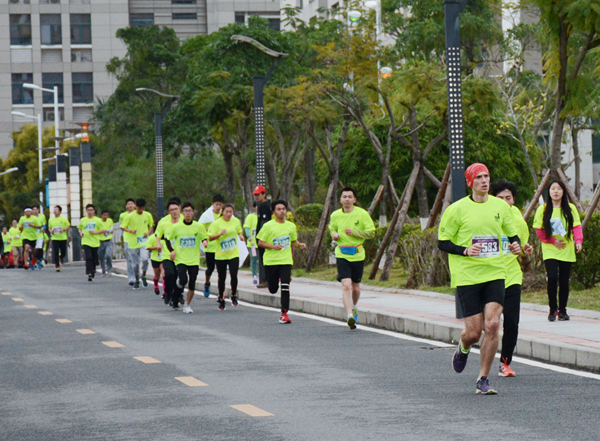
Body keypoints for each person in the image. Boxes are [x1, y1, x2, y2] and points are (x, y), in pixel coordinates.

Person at [438, 163, 521, 395]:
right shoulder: (457, 209)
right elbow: (442, 242)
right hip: (467, 276)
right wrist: (465, 250)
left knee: (492, 324)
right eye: (479, 177)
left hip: (495, 272)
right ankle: (463, 347)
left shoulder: (500, 207)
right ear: (470, 183)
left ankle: (483, 378)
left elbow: (511, 233)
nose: (484, 181)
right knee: (474, 333)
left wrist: (515, 245)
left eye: (486, 176)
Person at [490, 180, 534, 377]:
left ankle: (505, 363)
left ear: (513, 200)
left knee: (512, 322)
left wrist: (526, 249)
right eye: (500, 198)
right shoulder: (485, 219)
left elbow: (522, 247)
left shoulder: (518, 221)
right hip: (490, 276)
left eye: (508, 198)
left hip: (512, 276)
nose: (504, 202)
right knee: (490, 323)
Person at [533, 180, 583, 322]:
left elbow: (576, 227)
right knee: (552, 277)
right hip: (550, 248)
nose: (556, 191)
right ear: (548, 192)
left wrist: (578, 241)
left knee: (564, 281)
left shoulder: (571, 208)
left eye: (559, 188)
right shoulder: (543, 210)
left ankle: (562, 310)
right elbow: (539, 230)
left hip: (566, 248)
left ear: (563, 191)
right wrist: (553, 241)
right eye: (553, 188)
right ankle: (552, 309)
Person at [329, 187, 376, 330]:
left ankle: (354, 307)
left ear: (354, 200)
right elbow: (332, 228)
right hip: (341, 254)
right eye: (344, 197)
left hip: (357, 254)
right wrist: (334, 235)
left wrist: (354, 232)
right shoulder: (335, 215)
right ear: (340, 199)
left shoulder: (362, 214)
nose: (347, 199)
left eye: (350, 197)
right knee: (346, 285)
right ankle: (349, 315)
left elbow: (371, 233)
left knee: (355, 288)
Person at [257, 200, 307, 323]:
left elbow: (293, 241)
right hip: (271, 261)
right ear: (274, 212)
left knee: (285, 286)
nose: (282, 211)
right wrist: (273, 247)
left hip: (286, 260)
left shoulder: (291, 226)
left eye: (283, 209)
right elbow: (260, 243)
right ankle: (274, 282)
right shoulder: (268, 226)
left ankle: (284, 313)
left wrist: (299, 245)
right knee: (273, 289)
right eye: (278, 209)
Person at [166, 202, 208, 312]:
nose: (188, 213)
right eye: (185, 211)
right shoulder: (176, 227)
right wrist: (171, 251)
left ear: (193, 213)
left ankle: (187, 305)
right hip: (181, 259)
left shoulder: (198, 226)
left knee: (192, 282)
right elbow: (168, 239)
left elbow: (204, 237)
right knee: (183, 279)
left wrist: (205, 242)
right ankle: (175, 297)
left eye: (190, 211)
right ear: (182, 213)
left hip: (194, 259)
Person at [208, 203, 245, 311]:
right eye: (227, 212)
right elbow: (210, 237)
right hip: (221, 255)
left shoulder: (236, 221)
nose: (229, 214)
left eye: (231, 212)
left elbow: (239, 231)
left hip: (233, 254)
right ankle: (221, 297)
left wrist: (241, 236)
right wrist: (219, 234)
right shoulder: (216, 223)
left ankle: (233, 294)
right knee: (222, 277)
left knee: (234, 274)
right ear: (222, 212)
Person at [121, 198, 155, 289]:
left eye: (142, 208)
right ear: (136, 206)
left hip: (143, 241)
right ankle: (136, 279)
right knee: (135, 264)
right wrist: (130, 231)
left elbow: (152, 225)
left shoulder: (147, 215)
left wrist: (148, 233)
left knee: (145, 259)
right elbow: (123, 226)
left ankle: (143, 274)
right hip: (133, 242)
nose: (141, 210)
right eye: (139, 208)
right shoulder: (130, 216)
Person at [156, 199, 183, 305]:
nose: (174, 212)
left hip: (181, 254)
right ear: (168, 212)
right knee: (169, 274)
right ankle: (168, 292)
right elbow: (158, 234)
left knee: (180, 276)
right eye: (172, 210)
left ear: (180, 209)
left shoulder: (184, 220)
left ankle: (178, 295)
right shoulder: (163, 222)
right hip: (167, 254)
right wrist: (158, 244)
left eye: (176, 209)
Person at [199, 194, 224, 297]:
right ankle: (207, 283)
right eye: (216, 204)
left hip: (221, 247)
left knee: (221, 271)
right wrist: (210, 228)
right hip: (210, 246)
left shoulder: (224, 215)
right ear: (212, 204)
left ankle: (220, 291)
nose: (218, 207)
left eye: (220, 205)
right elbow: (200, 229)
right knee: (210, 268)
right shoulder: (206, 216)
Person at [78, 204, 103, 282]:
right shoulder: (83, 220)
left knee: (94, 258)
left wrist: (94, 232)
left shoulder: (98, 220)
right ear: (86, 211)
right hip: (86, 241)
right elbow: (79, 228)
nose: (90, 212)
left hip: (95, 242)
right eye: (88, 210)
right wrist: (81, 233)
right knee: (88, 257)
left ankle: (93, 268)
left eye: (91, 210)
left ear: (94, 211)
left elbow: (103, 230)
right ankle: (89, 272)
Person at [254, 185, 272, 288]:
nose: (257, 197)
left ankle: (268, 279)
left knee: (265, 259)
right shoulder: (260, 206)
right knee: (263, 258)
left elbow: (264, 223)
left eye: (259, 195)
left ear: (264, 194)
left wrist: (262, 237)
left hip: (264, 237)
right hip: (261, 236)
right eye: (255, 195)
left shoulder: (265, 206)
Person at [119, 198, 136, 285]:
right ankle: (131, 277)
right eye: (128, 204)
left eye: (132, 204)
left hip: (138, 239)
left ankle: (137, 274)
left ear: (135, 205)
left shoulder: (138, 214)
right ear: (126, 206)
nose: (130, 205)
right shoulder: (123, 215)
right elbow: (122, 226)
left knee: (137, 258)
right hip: (128, 238)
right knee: (129, 258)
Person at [48, 205, 70, 272]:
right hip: (55, 238)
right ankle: (57, 266)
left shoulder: (63, 219)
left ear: (60, 211)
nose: (54, 211)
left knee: (63, 252)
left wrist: (63, 229)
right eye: (54, 209)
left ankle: (61, 256)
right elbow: (49, 227)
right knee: (56, 251)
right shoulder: (51, 220)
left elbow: (68, 226)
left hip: (63, 238)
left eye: (56, 209)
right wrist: (51, 231)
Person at [244, 202, 259, 285]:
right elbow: (246, 227)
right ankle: (254, 275)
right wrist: (248, 236)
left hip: (262, 243)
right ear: (254, 207)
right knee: (254, 259)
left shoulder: (263, 216)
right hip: (253, 243)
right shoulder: (251, 216)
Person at [98, 210, 114, 276]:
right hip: (101, 241)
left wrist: (111, 231)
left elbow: (112, 228)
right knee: (101, 257)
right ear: (102, 215)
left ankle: (109, 269)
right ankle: (103, 270)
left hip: (108, 240)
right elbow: (96, 231)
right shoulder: (98, 222)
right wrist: (102, 231)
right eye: (104, 215)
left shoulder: (110, 221)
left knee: (108, 255)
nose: (105, 217)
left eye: (107, 215)